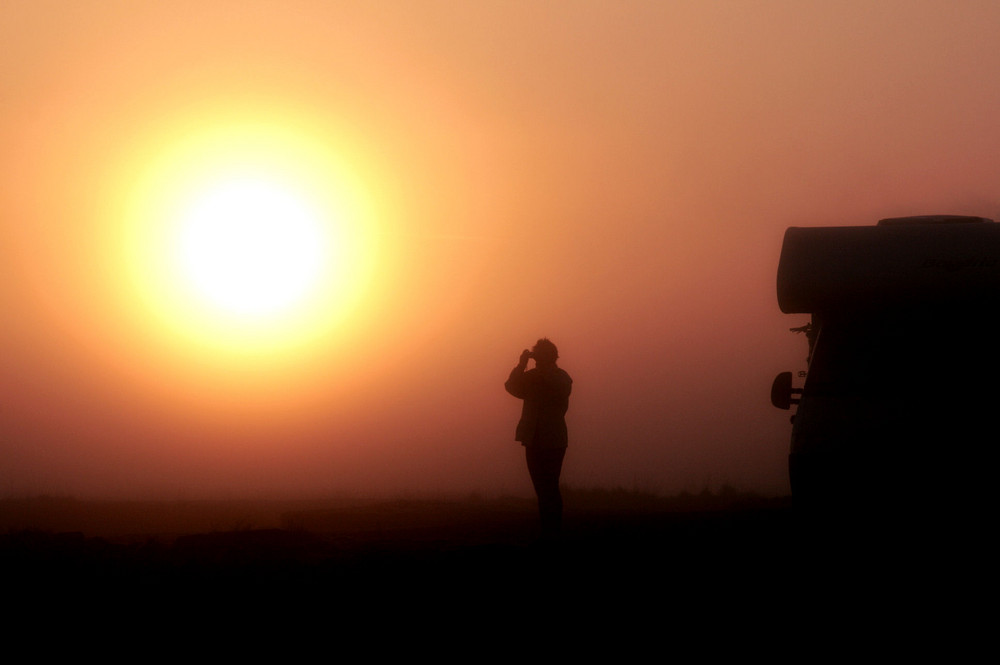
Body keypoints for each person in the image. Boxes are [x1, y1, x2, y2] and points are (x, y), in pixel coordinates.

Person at [504, 338, 572, 535]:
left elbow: (560, 389)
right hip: (533, 438)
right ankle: (548, 531)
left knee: (550, 485)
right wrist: (522, 364)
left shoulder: (561, 377)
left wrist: (542, 368)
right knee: (541, 488)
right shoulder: (531, 377)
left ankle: (554, 530)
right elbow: (511, 386)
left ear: (551, 357)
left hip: (553, 439)